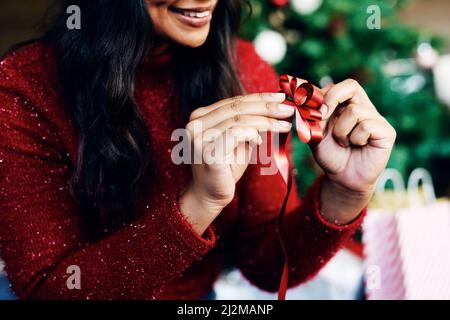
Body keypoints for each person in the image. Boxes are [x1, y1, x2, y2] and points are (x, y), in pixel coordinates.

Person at [0, 0, 396, 299]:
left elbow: (267, 265)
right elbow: (48, 289)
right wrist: (199, 203)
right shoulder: (25, 87)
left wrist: (345, 192)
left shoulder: (245, 68)